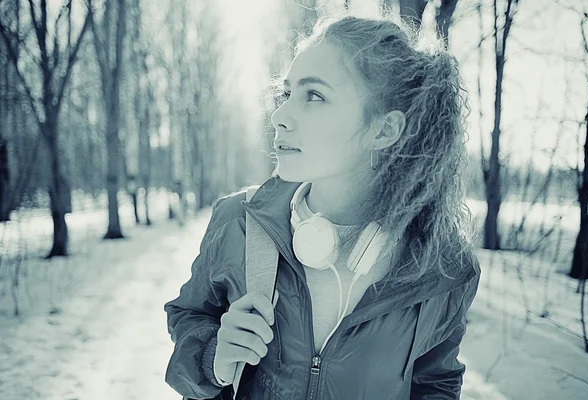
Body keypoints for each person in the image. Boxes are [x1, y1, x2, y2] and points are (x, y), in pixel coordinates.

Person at [164, 12, 481, 400]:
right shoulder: (239, 221)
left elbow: (436, 384)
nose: (279, 116)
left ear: (384, 130)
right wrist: (214, 356)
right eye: (287, 93)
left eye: (314, 95)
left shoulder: (441, 266)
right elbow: (189, 317)